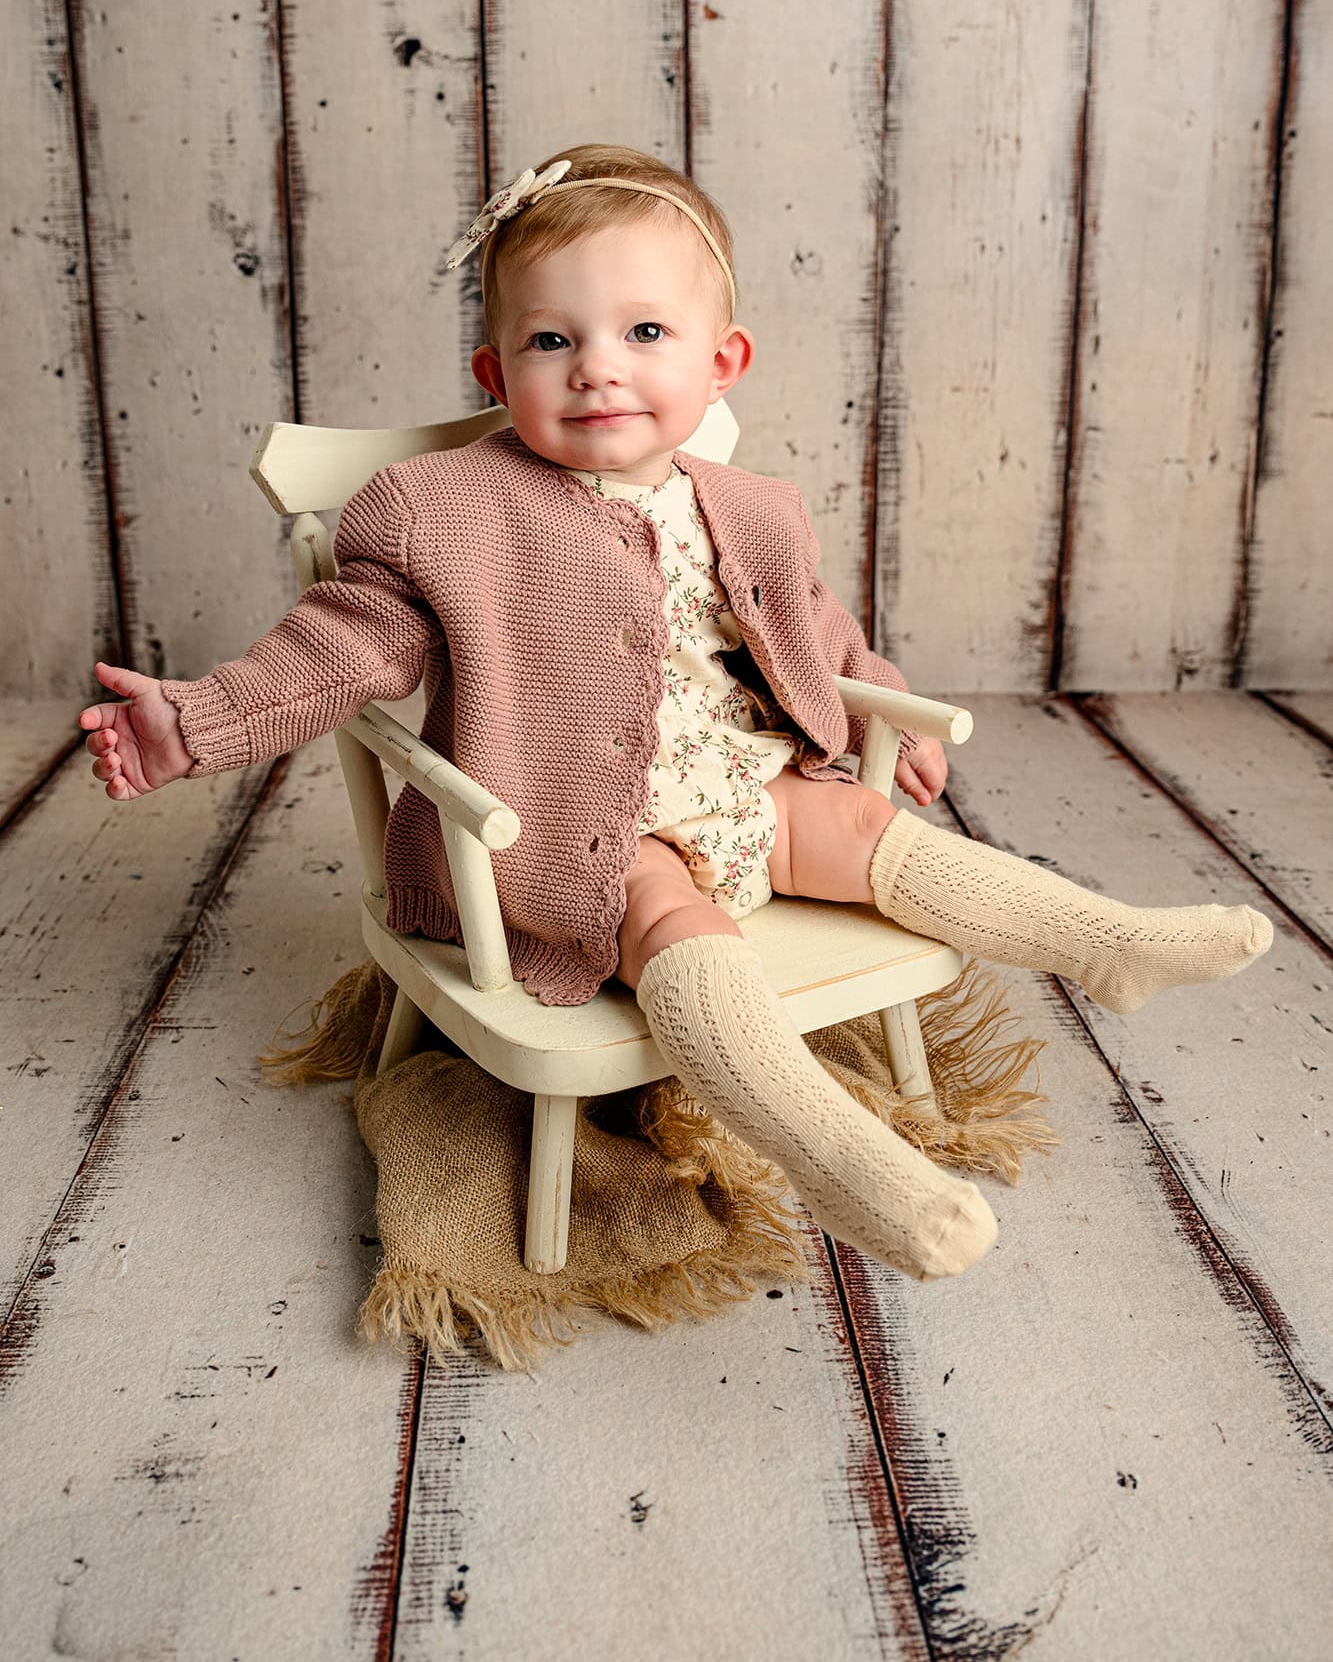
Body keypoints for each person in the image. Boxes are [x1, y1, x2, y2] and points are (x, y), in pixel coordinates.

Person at [78, 143, 1273, 1287]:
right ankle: (840, 1156)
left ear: (721, 361)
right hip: (574, 830)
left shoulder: (750, 504)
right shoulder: (443, 511)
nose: (597, 367)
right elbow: (339, 650)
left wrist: (888, 701)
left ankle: (1102, 941)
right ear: (494, 373)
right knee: (666, 916)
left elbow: (814, 626)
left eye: (644, 332)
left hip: (745, 790)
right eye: (551, 339)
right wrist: (198, 720)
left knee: (863, 827)